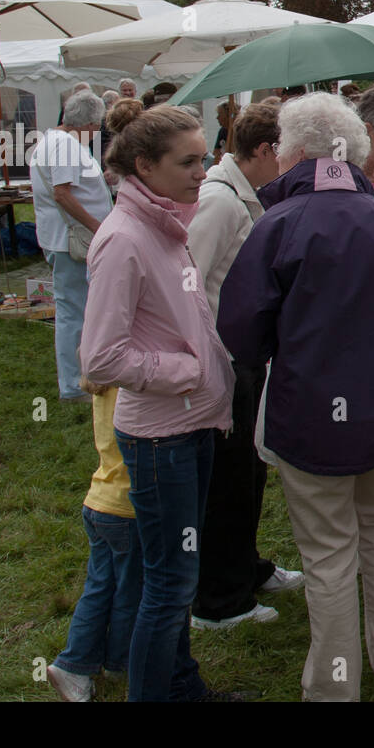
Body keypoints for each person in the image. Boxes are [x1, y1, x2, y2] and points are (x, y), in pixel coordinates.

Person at [217, 93, 374, 702]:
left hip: (312, 414)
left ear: (295, 152)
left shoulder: (278, 225)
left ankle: (334, 687)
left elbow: (241, 331)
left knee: (328, 554)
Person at [81, 106, 238, 703]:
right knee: (170, 584)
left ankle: (182, 688)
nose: (204, 171)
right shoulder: (124, 239)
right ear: (144, 166)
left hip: (190, 426)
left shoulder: (165, 222)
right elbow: (99, 358)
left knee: (174, 578)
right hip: (160, 439)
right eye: (189, 161)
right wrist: (187, 371)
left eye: (205, 157)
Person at [186, 102, 304, 630]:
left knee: (248, 471)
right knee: (228, 480)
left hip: (244, 357)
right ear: (264, 151)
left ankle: (246, 568)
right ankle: (219, 600)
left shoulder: (241, 194)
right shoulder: (220, 200)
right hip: (225, 361)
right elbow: (186, 281)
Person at [46, 375, 141, 702]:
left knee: (101, 585)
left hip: (100, 499)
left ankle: (102, 662)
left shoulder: (100, 375)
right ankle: (83, 663)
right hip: (125, 505)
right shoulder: (126, 381)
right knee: (129, 589)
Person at [31, 89, 111, 402]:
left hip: (63, 238)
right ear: (90, 123)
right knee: (74, 312)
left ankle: (78, 378)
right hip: (71, 240)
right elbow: (62, 194)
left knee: (75, 309)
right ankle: (73, 384)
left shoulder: (55, 140)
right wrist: (97, 226)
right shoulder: (64, 145)